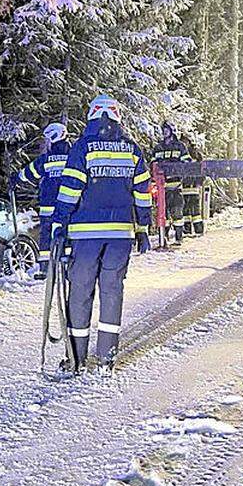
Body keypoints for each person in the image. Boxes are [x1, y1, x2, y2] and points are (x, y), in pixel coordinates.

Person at [51, 94, 152, 374]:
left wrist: (60, 223)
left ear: (92, 116)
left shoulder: (83, 147)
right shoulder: (131, 149)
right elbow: (142, 192)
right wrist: (143, 227)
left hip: (85, 235)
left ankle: (76, 359)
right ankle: (107, 359)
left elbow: (71, 188)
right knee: (112, 292)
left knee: (80, 293)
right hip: (120, 235)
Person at [10, 122, 71, 279]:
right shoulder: (74, 157)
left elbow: (29, 173)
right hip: (69, 206)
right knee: (68, 235)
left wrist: (15, 178)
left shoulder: (47, 159)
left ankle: (45, 269)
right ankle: (70, 267)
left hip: (49, 205)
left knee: (46, 236)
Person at [151, 122, 191, 246]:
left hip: (176, 185)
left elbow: (187, 162)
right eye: (163, 130)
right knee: (163, 213)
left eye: (166, 130)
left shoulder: (180, 146)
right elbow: (153, 164)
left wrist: (179, 170)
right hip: (162, 187)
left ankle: (179, 237)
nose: (164, 132)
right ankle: (164, 237)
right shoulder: (158, 147)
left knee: (177, 212)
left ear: (172, 131)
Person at [181, 134, 205, 237]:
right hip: (183, 187)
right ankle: (187, 230)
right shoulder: (180, 154)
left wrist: (199, 182)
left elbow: (202, 170)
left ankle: (198, 229)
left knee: (196, 211)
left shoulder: (196, 155)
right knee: (185, 210)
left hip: (193, 187)